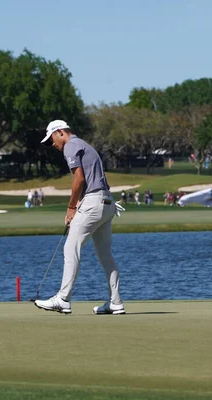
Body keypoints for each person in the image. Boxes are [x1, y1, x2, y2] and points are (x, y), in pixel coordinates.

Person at [34, 119, 125, 315]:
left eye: (51, 140)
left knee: (71, 247)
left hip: (93, 202)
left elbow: (79, 179)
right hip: (107, 202)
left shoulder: (70, 146)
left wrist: (71, 208)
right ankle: (116, 302)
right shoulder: (84, 144)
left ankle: (63, 299)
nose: (53, 145)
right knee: (105, 255)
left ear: (60, 132)